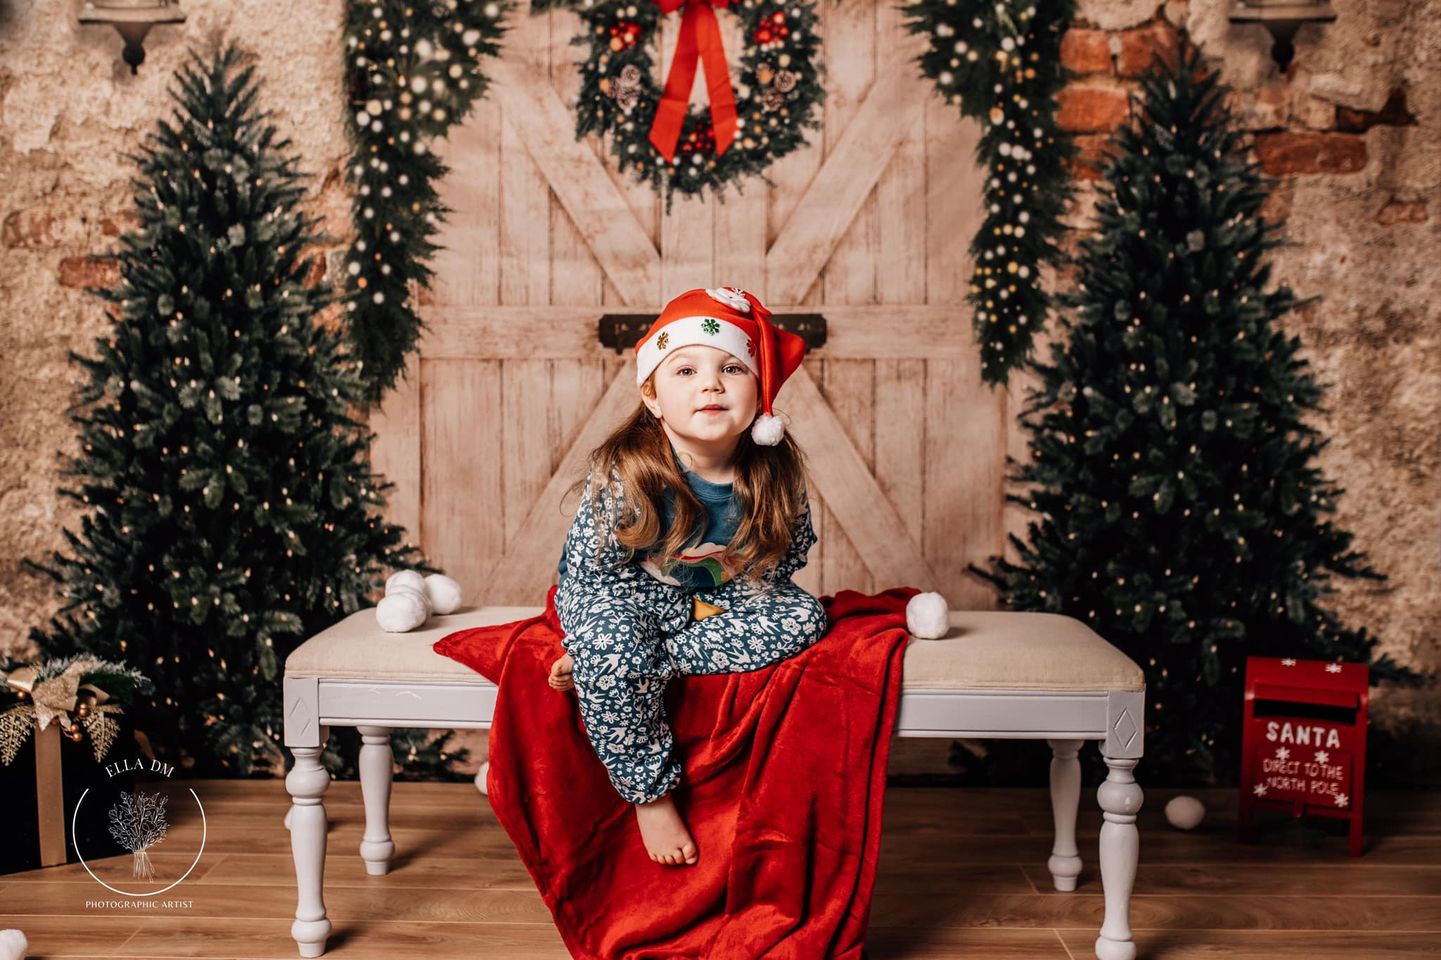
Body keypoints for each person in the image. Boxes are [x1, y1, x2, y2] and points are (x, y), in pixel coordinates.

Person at [548, 286, 828, 868]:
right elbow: (589, 575)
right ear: (652, 395)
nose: (712, 384)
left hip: (716, 602)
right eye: (686, 369)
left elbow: (784, 557)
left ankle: (650, 658)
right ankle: (649, 793)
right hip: (622, 591)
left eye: (732, 367)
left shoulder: (774, 473)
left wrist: (735, 601)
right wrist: (601, 632)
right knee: (612, 639)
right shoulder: (627, 473)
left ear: (760, 393)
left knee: (805, 617)